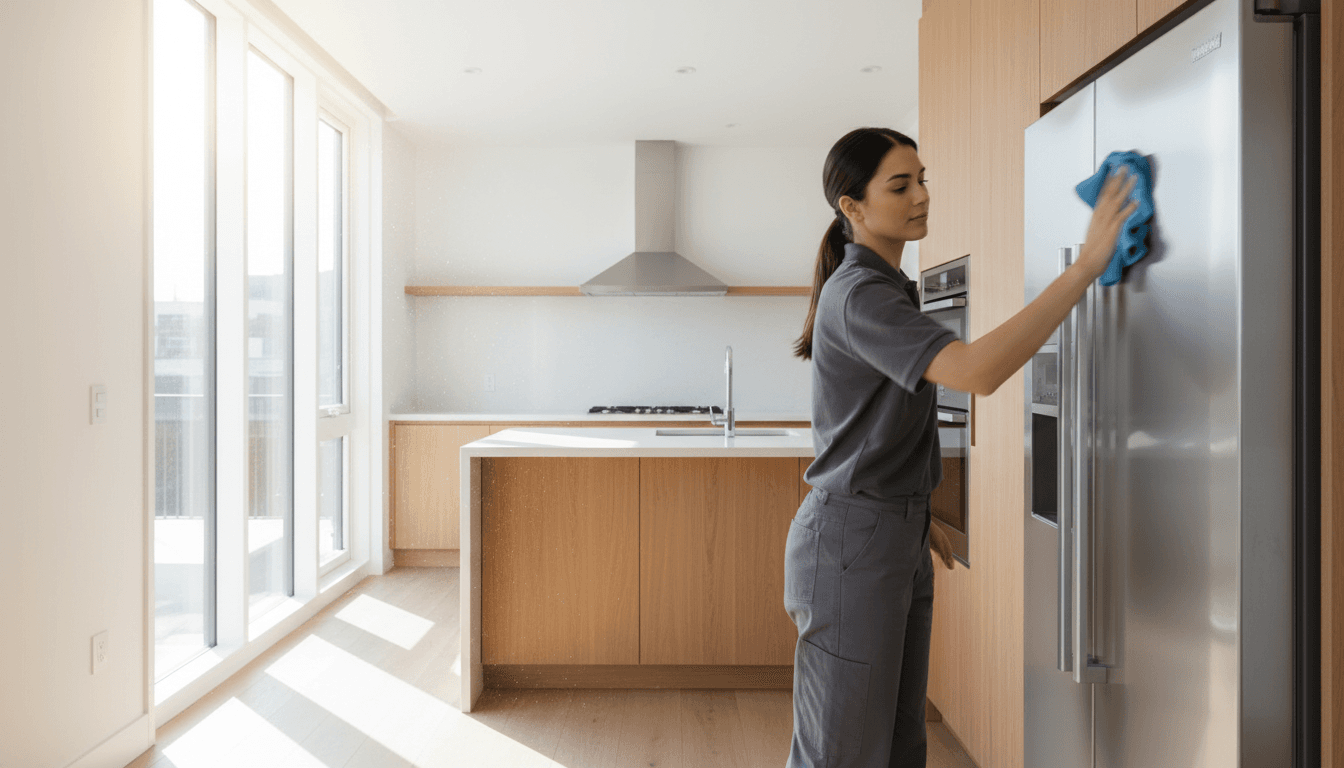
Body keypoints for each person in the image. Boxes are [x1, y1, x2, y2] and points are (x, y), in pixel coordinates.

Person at [783, 126, 1137, 768]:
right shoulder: (861, 293)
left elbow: (893, 420)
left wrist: (915, 511)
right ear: (852, 207)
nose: (921, 195)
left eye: (923, 179)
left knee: (896, 747)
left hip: (888, 533)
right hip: (853, 546)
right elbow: (975, 372)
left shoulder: (890, 287)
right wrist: (1086, 266)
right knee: (841, 756)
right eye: (901, 184)